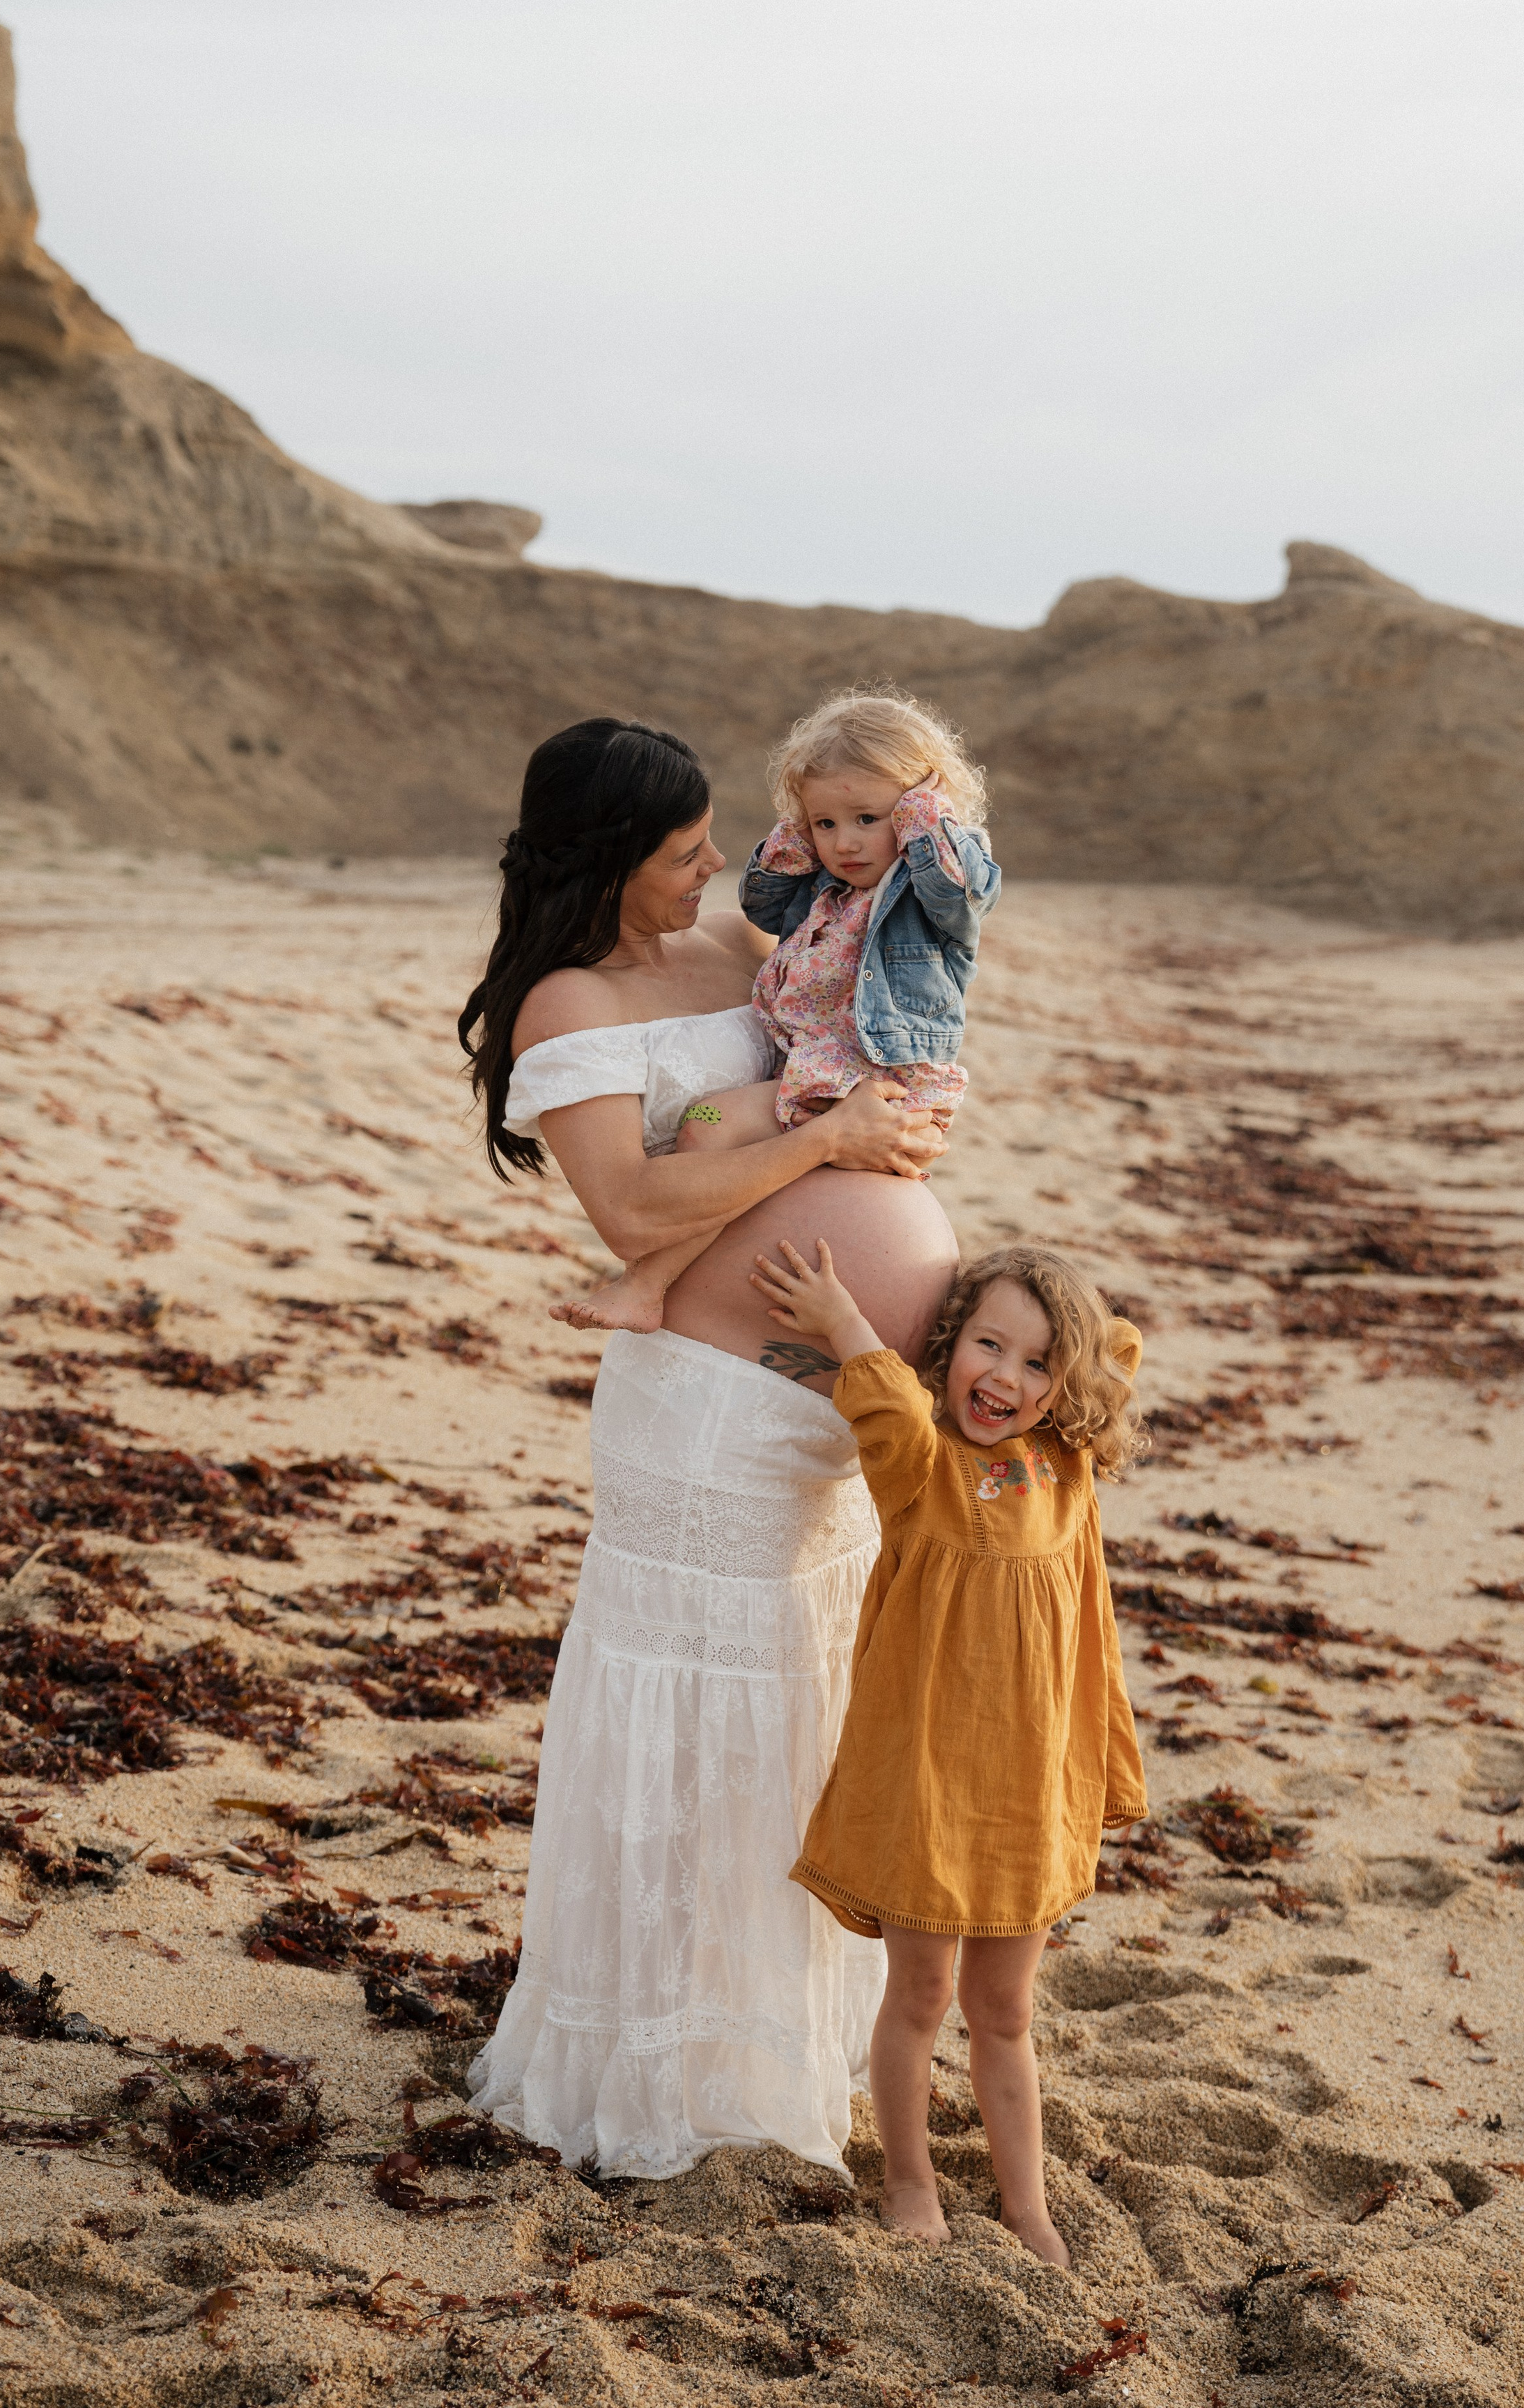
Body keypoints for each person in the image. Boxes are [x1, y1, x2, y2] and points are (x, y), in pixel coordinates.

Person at [457, 715, 962, 2180]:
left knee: (801, 1714)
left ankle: (784, 2036)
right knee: (697, 1720)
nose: (716, 870)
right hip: (705, 1413)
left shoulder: (742, 948)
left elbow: (848, 1029)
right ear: (614, 858)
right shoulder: (564, 1005)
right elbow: (634, 1216)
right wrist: (828, 1146)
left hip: (834, 1403)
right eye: (683, 854)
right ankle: (671, 2062)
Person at [750, 1236, 1147, 2266]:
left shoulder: (1065, 1467)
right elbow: (878, 1394)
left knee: (1006, 2010)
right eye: (986, 1345)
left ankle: (1028, 2204)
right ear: (950, 1345)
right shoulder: (921, 1468)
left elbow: (1121, 1353)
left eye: (1034, 1363)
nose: (1003, 1378)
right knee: (920, 1997)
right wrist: (841, 1319)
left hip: (1028, 1794)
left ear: (1064, 1387)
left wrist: (1084, 1351)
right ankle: (912, 2177)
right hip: (929, 1786)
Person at [560, 688, 999, 1335]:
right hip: (817, 1079)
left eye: (868, 819)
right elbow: (762, 902)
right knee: (705, 1121)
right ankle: (653, 1280)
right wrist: (803, 825)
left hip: (872, 1087)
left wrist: (922, 812)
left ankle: (647, 1284)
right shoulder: (831, 891)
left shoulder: (929, 900)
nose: (845, 843)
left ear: (914, 812)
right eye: (826, 823)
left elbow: (960, 887)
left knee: (709, 1128)